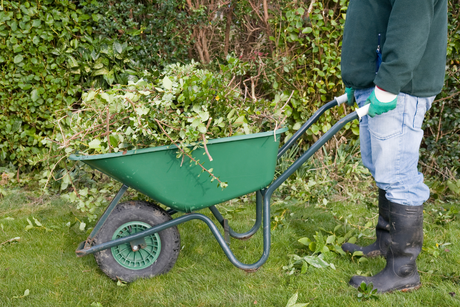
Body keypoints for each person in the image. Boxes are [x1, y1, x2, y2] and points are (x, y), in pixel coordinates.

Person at [339, 0, 448, 293]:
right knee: (382, 167)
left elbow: (410, 22)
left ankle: (402, 270)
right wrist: (357, 76)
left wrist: (388, 83)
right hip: (376, 81)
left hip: (398, 86)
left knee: (398, 175)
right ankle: (386, 243)